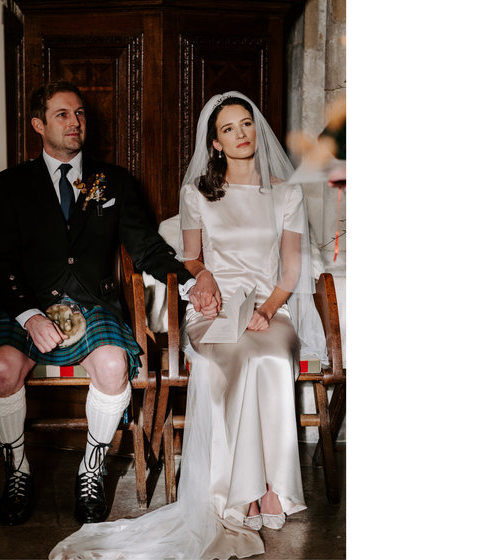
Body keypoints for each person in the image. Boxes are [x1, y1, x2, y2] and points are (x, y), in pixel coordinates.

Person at [50, 91, 326, 559]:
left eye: (246, 124)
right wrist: (204, 279)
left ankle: (271, 488)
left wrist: (268, 308)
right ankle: (238, 492)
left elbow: (292, 271)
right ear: (215, 143)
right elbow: (192, 257)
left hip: (269, 307)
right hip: (213, 309)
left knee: (271, 356)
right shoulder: (197, 193)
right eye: (228, 129)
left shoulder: (288, 193)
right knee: (236, 358)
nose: (241, 135)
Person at [0, 80, 194, 527]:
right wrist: (29, 314)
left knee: (115, 365)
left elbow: (148, 248)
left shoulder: (111, 181)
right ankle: (17, 470)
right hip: (28, 306)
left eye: (79, 114)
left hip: (94, 306)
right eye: (62, 115)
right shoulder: (11, 184)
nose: (75, 123)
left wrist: (190, 285)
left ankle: (90, 469)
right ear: (39, 124)